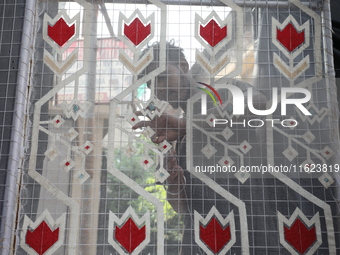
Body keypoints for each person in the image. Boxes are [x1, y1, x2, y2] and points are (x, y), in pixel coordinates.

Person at [132, 41, 339, 254]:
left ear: (183, 66)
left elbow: (260, 103)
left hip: (254, 229)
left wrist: (189, 126)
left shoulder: (224, 92)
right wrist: (174, 182)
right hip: (206, 238)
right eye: (151, 84)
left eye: (163, 77)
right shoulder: (174, 134)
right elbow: (181, 207)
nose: (159, 88)